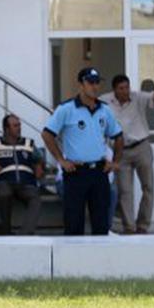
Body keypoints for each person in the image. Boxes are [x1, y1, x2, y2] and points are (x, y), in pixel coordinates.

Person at [42, 68, 124, 236]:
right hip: (76, 172)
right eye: (90, 82)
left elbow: (119, 136)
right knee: (74, 223)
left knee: (101, 223)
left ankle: (99, 261)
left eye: (97, 82)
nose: (94, 87)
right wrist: (61, 160)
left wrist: (115, 161)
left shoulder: (105, 109)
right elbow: (47, 134)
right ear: (81, 84)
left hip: (99, 171)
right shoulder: (66, 109)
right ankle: (73, 261)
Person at [102, 75, 154, 234]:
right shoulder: (105, 101)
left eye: (127, 87)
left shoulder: (137, 97)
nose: (125, 91)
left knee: (148, 187)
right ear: (114, 90)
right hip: (120, 150)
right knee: (125, 191)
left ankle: (143, 226)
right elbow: (90, 105)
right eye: (121, 89)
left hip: (141, 146)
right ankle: (129, 227)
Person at [0, 114, 44, 235]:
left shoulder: (28, 143)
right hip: (4, 181)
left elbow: (39, 158)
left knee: (36, 199)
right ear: (6, 129)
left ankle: (24, 235)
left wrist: (39, 166)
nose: (19, 128)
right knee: (4, 193)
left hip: (26, 183)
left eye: (19, 125)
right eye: (15, 126)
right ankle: (6, 232)